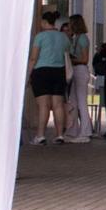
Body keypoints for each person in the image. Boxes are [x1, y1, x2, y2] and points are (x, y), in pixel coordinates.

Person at [29, 11, 73, 144]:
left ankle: (40, 135)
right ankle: (60, 135)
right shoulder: (63, 37)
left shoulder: (40, 37)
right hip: (59, 71)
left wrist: (28, 74)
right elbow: (67, 53)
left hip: (41, 72)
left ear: (44, 22)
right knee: (58, 105)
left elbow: (33, 58)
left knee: (44, 105)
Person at [64, 14, 94, 141]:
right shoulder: (77, 38)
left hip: (80, 70)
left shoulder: (82, 39)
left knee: (81, 101)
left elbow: (85, 59)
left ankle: (85, 131)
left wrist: (73, 59)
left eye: (70, 23)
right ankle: (73, 130)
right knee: (74, 101)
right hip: (77, 70)